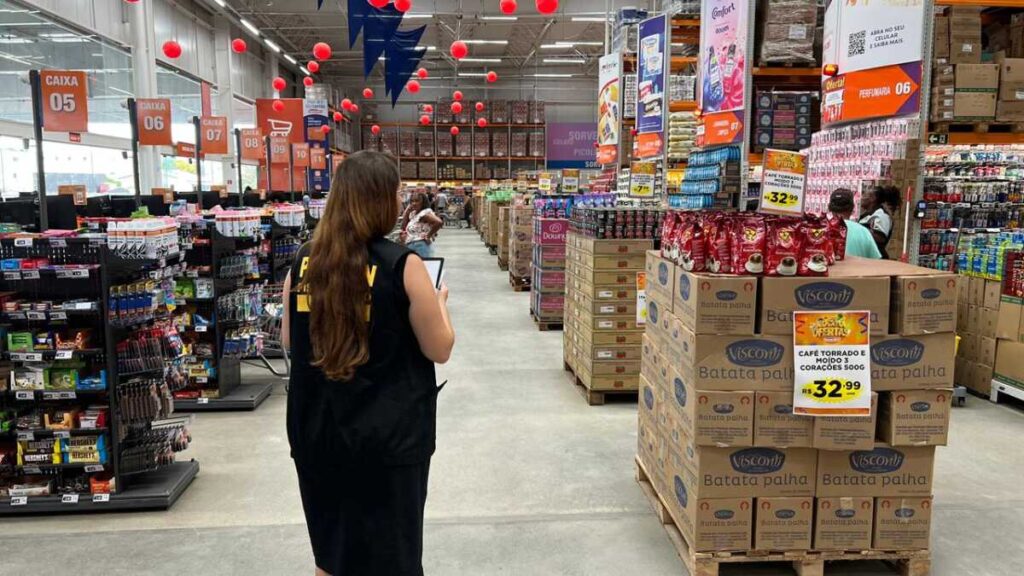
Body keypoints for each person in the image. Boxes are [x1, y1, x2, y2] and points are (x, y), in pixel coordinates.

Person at [281, 151, 455, 576]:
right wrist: (441, 305)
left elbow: (289, 340)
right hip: (388, 439)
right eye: (395, 193)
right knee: (394, 557)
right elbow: (439, 348)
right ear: (379, 200)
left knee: (331, 555)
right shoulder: (402, 265)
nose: (399, 201)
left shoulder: (303, 262)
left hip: (318, 431)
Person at [828, 188, 882, 259]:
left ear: (829, 208)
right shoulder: (864, 232)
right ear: (852, 208)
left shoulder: (822, 231)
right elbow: (876, 260)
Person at [859, 185, 901, 259]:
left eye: (864, 194)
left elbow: (880, 238)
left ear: (873, 198)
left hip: (876, 259)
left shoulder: (882, 215)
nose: (861, 198)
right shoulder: (867, 214)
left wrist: (859, 229)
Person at [401, 192, 443, 258]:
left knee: (423, 263)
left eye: (417, 201)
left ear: (423, 202)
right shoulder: (414, 213)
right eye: (412, 201)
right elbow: (404, 226)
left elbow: (439, 222)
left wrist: (428, 235)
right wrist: (407, 211)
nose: (414, 203)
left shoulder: (424, 213)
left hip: (421, 245)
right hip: (411, 244)